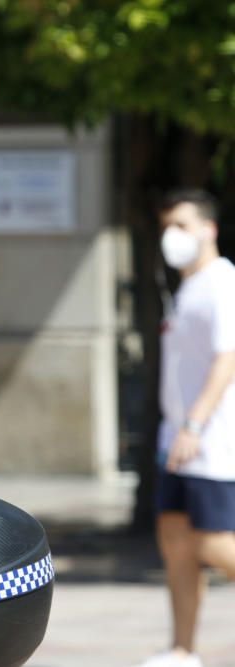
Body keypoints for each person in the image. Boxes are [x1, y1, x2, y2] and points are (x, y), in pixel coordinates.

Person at [136, 189, 235, 667]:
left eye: (181, 225)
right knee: (174, 540)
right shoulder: (188, 287)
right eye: (166, 227)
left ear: (209, 229)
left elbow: (228, 358)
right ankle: (182, 649)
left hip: (211, 442)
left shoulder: (222, 282)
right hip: (175, 440)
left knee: (213, 541)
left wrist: (195, 425)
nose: (171, 237)